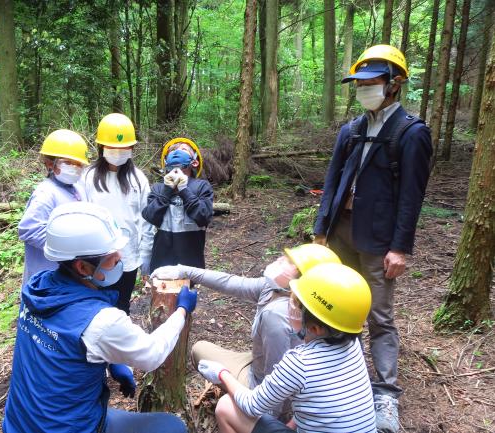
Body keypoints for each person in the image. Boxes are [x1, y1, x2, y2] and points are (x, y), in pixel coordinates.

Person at [313, 44, 433, 433]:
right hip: (342, 233)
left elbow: (411, 198)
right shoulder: (352, 129)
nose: (363, 89)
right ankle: (337, 376)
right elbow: (332, 182)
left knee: (379, 316)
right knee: (335, 306)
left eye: (372, 82)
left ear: (395, 84)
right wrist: (321, 230)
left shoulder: (411, 133)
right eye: (359, 83)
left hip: (380, 241)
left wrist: (401, 248)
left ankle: (384, 394)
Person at [3, 202, 196, 433]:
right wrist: (181, 311)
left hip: (20, 424)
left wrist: (113, 361)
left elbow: (64, 341)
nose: (119, 257)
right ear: (83, 267)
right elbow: (152, 354)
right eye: (111, 254)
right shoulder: (101, 320)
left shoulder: (38, 289)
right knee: (171, 426)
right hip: (68, 428)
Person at [151, 244, 340, 417]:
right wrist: (185, 271)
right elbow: (231, 282)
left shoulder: (277, 315)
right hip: (263, 364)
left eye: (290, 262)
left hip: (265, 386)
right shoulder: (275, 288)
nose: (280, 260)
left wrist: (270, 423)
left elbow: (274, 380)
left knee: (200, 350)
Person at [197, 263, 377, 433]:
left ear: (314, 328)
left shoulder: (300, 362)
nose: (292, 306)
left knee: (225, 406)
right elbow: (323, 405)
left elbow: (253, 405)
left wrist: (222, 374)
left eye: (297, 304)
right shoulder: (353, 347)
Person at [82, 113, 154, 314]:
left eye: (123, 148)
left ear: (131, 149)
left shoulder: (138, 180)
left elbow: (146, 221)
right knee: (95, 308)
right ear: (101, 147)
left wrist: (145, 256)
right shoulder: (87, 177)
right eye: (113, 148)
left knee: (121, 308)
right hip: (95, 259)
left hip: (128, 259)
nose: (118, 152)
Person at [17, 129, 89, 290]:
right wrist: (67, 245)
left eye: (79, 164)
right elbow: (28, 230)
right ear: (50, 164)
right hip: (47, 275)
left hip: (72, 272)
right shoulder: (45, 193)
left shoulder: (78, 188)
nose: (75, 168)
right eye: (68, 163)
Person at [142, 137, 214, 274]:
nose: (177, 152)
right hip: (161, 265)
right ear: (165, 162)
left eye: (183, 149)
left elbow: (204, 216)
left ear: (194, 162)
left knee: (188, 296)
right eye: (173, 150)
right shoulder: (158, 188)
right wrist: (166, 191)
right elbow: (150, 216)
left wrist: (184, 190)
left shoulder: (201, 187)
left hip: (192, 265)